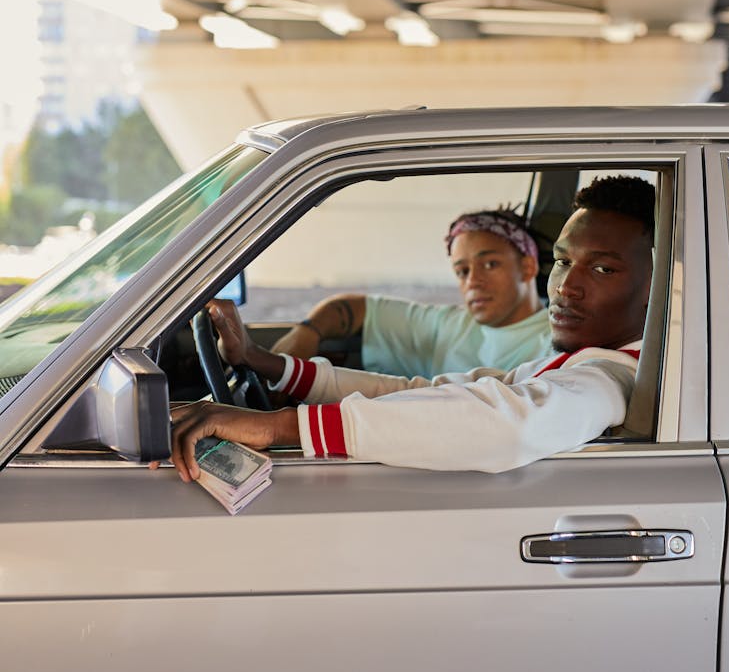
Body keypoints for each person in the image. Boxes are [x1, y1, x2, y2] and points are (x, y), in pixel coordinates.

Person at [166, 175, 655, 480]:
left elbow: (513, 424)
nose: (566, 287)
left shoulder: (608, 380)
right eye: (564, 262)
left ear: (661, 286)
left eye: (603, 269)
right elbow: (420, 390)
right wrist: (265, 362)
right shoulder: (569, 360)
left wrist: (276, 426)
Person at [273, 206, 550, 375]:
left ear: (527, 267)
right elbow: (359, 308)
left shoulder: (555, 339)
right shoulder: (448, 326)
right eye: (462, 271)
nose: (473, 281)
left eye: (490, 264)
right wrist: (306, 333)